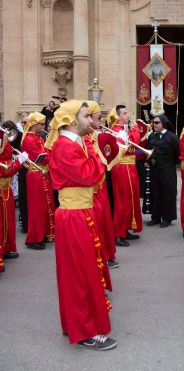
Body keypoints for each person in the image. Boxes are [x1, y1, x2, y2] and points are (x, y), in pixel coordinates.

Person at [46, 100, 116, 350]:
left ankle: (76, 323)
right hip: (74, 216)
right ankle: (85, 331)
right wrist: (101, 153)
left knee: (81, 272)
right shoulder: (66, 147)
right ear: (74, 121)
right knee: (80, 274)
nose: (92, 121)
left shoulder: (71, 144)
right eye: (87, 116)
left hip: (79, 213)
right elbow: (90, 175)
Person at [86, 101, 118, 269]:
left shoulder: (96, 135)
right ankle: (101, 256)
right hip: (92, 189)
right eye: (98, 117)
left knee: (104, 220)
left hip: (100, 185)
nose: (101, 120)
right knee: (98, 222)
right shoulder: (86, 138)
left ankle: (106, 253)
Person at [108, 105, 142, 247]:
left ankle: (126, 228)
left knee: (131, 199)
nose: (127, 116)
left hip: (130, 166)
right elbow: (127, 146)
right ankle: (118, 233)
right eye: (124, 113)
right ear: (117, 116)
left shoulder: (124, 130)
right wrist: (135, 130)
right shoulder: (116, 131)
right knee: (123, 200)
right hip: (122, 167)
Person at [21, 112, 55, 249]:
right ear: (34, 125)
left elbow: (45, 152)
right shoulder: (29, 139)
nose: (43, 126)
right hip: (35, 174)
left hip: (42, 173)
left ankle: (45, 233)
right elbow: (43, 157)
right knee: (37, 207)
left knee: (46, 205)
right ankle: (34, 238)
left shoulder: (37, 136)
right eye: (41, 124)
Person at [0, 132, 29, 272]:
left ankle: (6, 249)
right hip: (2, 191)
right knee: (2, 222)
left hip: (7, 190)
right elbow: (6, 171)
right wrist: (18, 162)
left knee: (8, 221)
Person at [146, 115, 180, 228]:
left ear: (163, 124)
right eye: (153, 123)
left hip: (167, 170)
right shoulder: (151, 136)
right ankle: (155, 217)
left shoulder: (172, 137)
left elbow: (177, 154)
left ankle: (167, 218)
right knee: (154, 192)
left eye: (157, 123)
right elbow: (147, 151)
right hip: (154, 169)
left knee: (167, 193)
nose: (154, 125)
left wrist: (168, 164)